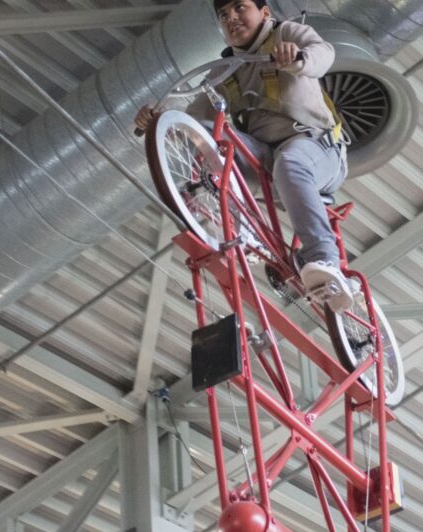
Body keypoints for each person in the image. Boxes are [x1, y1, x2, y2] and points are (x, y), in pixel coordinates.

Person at [135, 0, 353, 311]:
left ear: (265, 13)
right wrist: (159, 119)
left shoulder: (285, 33)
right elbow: (193, 119)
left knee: (290, 163)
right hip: (268, 160)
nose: (231, 18)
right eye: (224, 15)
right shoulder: (226, 72)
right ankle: (241, 227)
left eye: (240, 7)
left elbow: (323, 54)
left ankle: (325, 260)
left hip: (317, 146)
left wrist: (297, 59)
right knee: (207, 130)